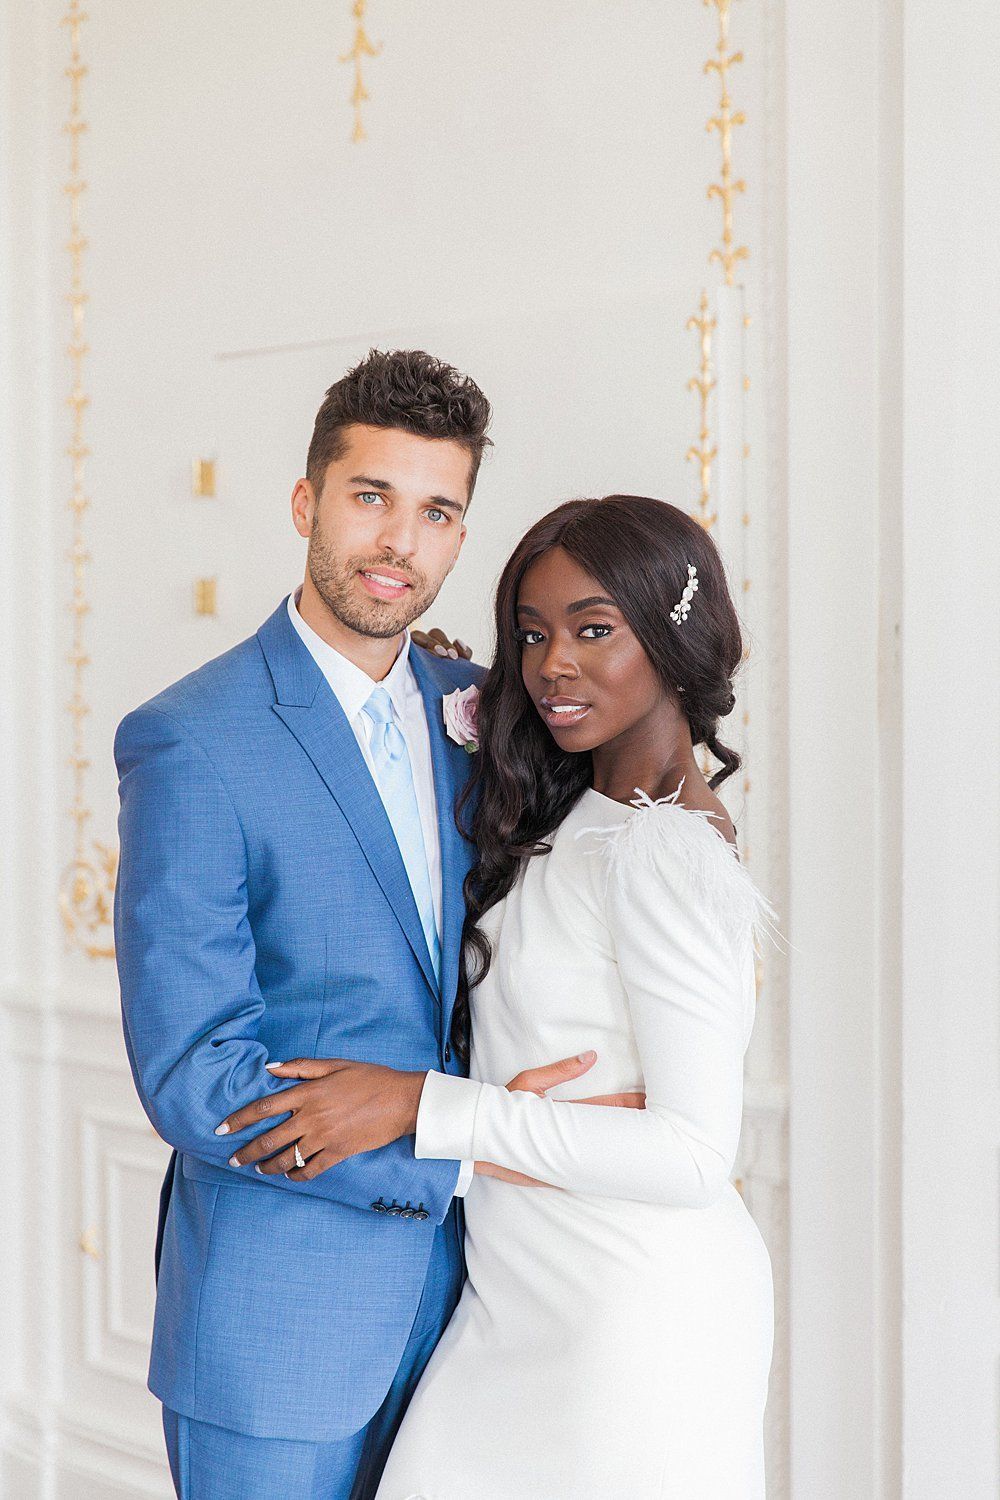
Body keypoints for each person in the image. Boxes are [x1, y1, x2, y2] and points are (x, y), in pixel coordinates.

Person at [113, 349, 599, 1500]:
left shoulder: (475, 713)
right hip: (278, 1326)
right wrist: (464, 1145)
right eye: (370, 496)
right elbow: (196, 1075)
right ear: (306, 502)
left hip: (477, 1321)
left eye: (436, 511)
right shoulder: (192, 739)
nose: (398, 542)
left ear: (460, 535)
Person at [225, 494, 776, 1497]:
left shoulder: (665, 850)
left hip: (629, 1318)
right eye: (531, 633)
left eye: (594, 630)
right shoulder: (582, 809)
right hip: (520, 1295)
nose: (551, 663)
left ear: (672, 639)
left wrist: (422, 1106)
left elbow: (695, 1156)